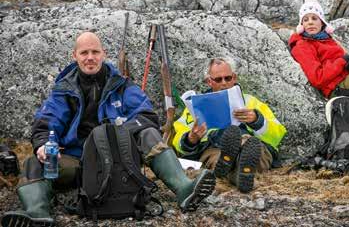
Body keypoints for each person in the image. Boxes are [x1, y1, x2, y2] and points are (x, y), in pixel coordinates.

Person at [1, 32, 215, 227]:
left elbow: (147, 117)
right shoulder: (63, 89)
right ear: (74, 55)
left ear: (104, 53)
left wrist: (118, 133)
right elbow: (46, 123)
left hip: (121, 157)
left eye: (95, 52)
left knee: (148, 132)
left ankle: (184, 188)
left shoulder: (122, 85)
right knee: (34, 162)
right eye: (84, 53)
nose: (90, 57)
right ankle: (37, 213)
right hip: (79, 162)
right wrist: (44, 145)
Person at [172, 58, 287, 193]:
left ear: (234, 77)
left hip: (252, 147)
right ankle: (241, 175)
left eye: (228, 78)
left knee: (253, 149)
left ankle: (236, 168)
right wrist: (191, 139)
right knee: (216, 159)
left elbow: (278, 134)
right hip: (215, 149)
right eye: (218, 79)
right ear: (209, 81)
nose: (224, 83)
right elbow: (179, 136)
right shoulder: (197, 106)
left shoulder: (251, 101)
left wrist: (257, 120)